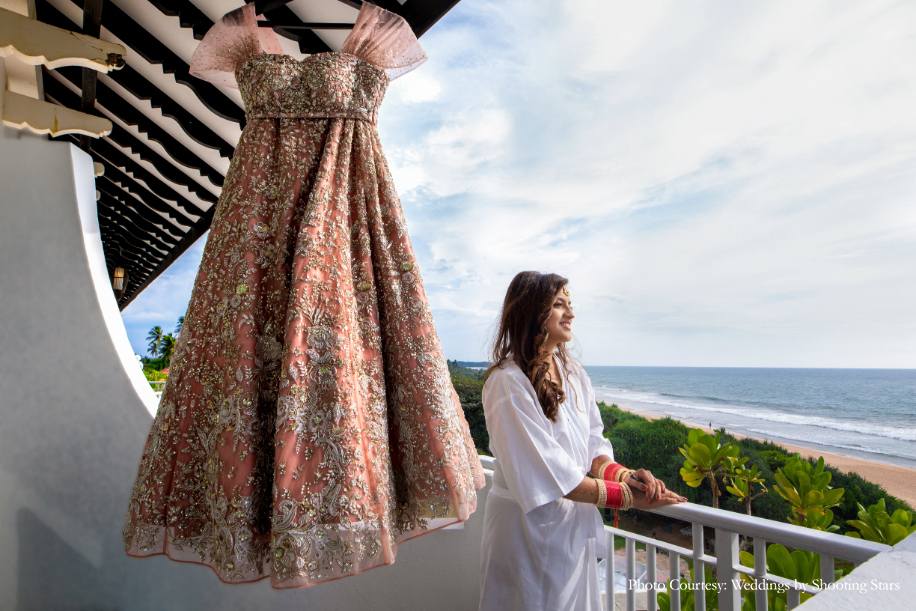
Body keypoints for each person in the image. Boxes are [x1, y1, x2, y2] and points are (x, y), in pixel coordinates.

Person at [122, 2, 484, 589]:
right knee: (243, 359)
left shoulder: (376, 40)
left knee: (343, 352)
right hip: (258, 222)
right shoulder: (244, 35)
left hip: (348, 210)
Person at [478, 271, 686, 611]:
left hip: (571, 530)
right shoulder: (507, 382)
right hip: (525, 532)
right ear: (533, 311)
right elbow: (550, 472)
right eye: (559, 304)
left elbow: (593, 444)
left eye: (570, 304)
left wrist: (626, 476)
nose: (571, 314)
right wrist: (629, 498)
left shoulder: (573, 373)